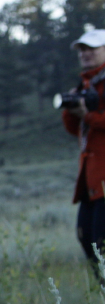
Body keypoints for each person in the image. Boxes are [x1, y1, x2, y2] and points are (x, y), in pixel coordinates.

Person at [61, 27, 105, 268]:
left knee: (101, 243)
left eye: (92, 49)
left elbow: (93, 120)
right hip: (91, 180)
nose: (85, 54)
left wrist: (88, 116)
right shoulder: (85, 85)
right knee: (86, 238)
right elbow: (75, 130)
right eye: (82, 50)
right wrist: (72, 111)